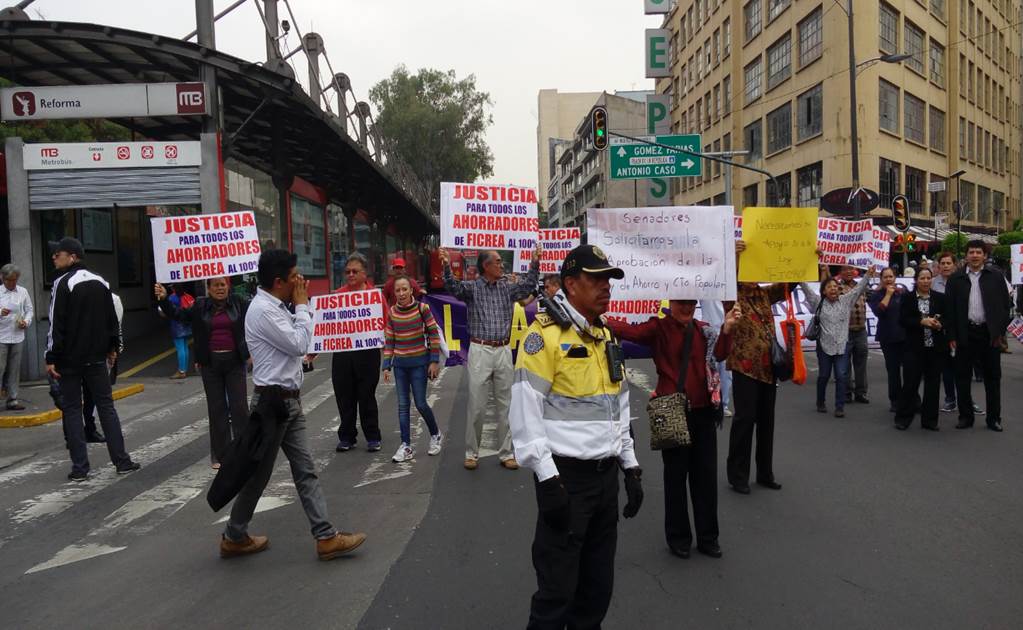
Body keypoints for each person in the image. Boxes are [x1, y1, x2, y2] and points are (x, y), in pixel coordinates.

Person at [508, 244, 642, 629]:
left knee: (596, 590)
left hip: (604, 481)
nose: (606, 287)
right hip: (567, 480)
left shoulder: (604, 335)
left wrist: (629, 466)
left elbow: (618, 405)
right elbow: (525, 410)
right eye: (596, 279)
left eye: (608, 280)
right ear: (569, 283)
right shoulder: (544, 336)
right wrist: (548, 480)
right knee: (556, 593)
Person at [219, 248, 367, 560]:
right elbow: (300, 344)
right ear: (277, 281)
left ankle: (325, 536)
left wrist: (299, 307)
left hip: (289, 403)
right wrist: (302, 306)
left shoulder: (276, 305)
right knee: (258, 475)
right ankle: (234, 534)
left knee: (305, 470)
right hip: (273, 404)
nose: (299, 282)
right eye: (293, 278)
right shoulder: (264, 310)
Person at [608, 299, 740, 559]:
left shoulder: (704, 330)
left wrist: (727, 328)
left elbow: (721, 354)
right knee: (676, 478)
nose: (687, 307)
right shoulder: (659, 328)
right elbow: (630, 332)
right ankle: (678, 537)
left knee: (705, 479)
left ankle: (708, 537)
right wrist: (601, 320)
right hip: (672, 412)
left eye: (691, 302)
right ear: (672, 302)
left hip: (703, 412)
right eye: (681, 302)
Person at [46, 237, 140, 482]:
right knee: (106, 407)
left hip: (70, 359)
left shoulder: (62, 283)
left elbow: (57, 323)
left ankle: (80, 468)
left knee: (73, 409)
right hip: (97, 358)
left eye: (58, 254)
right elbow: (111, 319)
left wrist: (51, 356)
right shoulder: (101, 282)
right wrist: (112, 348)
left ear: (73, 257)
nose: (54, 258)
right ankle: (122, 461)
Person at [440, 243, 541, 471]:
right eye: (497, 262)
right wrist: (446, 264)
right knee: (477, 405)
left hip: (504, 350)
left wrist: (535, 262)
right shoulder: (472, 288)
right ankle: (471, 453)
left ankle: (506, 453)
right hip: (480, 350)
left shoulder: (507, 287)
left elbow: (527, 286)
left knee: (507, 405)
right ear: (486, 266)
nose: (501, 265)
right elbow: (452, 287)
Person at [156, 277, 250, 468]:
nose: (220, 288)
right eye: (215, 285)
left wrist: (252, 353)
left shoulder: (240, 304)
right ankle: (220, 456)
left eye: (223, 284)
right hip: (210, 364)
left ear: (228, 286)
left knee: (240, 408)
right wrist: (164, 299)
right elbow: (177, 315)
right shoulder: (199, 306)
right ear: (209, 288)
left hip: (235, 362)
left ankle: (243, 452)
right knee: (217, 410)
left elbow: (257, 323)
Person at [725, 240, 786, 494]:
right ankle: (738, 475)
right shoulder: (733, 295)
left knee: (766, 422)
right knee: (744, 420)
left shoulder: (763, 294)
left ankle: (764, 473)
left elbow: (787, 285)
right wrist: (736, 259)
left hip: (767, 369)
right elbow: (725, 282)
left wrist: (808, 259)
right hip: (744, 368)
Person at [944, 240, 1012, 432]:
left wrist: (999, 332)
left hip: (989, 334)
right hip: (965, 333)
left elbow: (1004, 307)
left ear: (985, 256)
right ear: (966, 256)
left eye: (978, 252)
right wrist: (952, 336)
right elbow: (950, 310)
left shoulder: (996, 277)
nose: (974, 255)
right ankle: (965, 417)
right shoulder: (956, 279)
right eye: (971, 252)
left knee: (992, 378)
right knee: (962, 377)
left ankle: (993, 419)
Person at [381, 276, 443, 463]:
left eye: (404, 289)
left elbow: (433, 335)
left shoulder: (422, 309)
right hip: (400, 366)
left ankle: (436, 434)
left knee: (421, 403)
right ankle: (406, 445)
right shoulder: (392, 312)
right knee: (402, 406)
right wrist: (386, 365)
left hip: (419, 364)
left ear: (411, 291)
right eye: (397, 290)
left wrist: (433, 361)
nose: (401, 293)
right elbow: (390, 340)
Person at [800, 264, 875, 418]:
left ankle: (839, 406)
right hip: (824, 347)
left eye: (835, 286)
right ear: (824, 291)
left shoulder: (846, 300)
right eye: (829, 287)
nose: (833, 289)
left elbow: (859, 288)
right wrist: (797, 274)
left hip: (842, 346)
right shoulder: (817, 302)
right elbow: (805, 288)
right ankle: (820, 402)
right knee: (824, 376)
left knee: (841, 376)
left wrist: (868, 274)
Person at [332, 252, 383, 452]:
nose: (351, 274)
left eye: (355, 271)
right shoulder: (337, 296)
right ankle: (346, 436)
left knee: (366, 395)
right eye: (347, 272)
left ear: (365, 274)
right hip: (343, 353)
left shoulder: (374, 297)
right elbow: (325, 328)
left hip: (367, 353)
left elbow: (385, 323)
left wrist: (388, 353)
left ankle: (372, 435)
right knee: (344, 395)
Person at [894, 268, 948, 431]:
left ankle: (930, 420)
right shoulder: (907, 298)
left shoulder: (940, 298)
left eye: (928, 278)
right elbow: (903, 319)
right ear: (916, 280)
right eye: (922, 278)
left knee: (933, 385)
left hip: (934, 348)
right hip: (913, 348)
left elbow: (946, 318)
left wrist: (940, 325)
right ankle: (903, 417)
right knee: (910, 384)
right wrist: (920, 322)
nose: (925, 281)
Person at [81, 292, 123, 443]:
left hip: (97, 354)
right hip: (84, 355)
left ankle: (89, 429)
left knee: (94, 395)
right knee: (90, 395)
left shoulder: (113, 300)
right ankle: (83, 431)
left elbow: (116, 327)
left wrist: (113, 350)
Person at [867, 268, 907, 412]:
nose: (889, 279)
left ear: (895, 278)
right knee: (893, 371)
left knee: (910, 370)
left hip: (904, 336)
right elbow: (879, 311)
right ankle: (895, 400)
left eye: (891, 276)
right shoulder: (876, 294)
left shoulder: (902, 293)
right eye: (886, 277)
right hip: (888, 337)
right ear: (881, 279)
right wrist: (888, 295)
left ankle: (911, 399)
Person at [0, 263, 33, 410]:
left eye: (15, 280)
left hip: (18, 335)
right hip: (1, 336)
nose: (12, 283)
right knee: (0, 368)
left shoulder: (23, 292)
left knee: (14, 368)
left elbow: (29, 310)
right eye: (9, 280)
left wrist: (26, 321)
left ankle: (12, 399)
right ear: (2, 278)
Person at [837, 266, 870, 404]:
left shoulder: (860, 286)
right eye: (845, 269)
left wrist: (870, 273)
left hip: (861, 330)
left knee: (861, 363)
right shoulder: (837, 287)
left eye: (851, 269)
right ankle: (846, 393)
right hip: (845, 330)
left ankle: (861, 393)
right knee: (845, 364)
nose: (849, 272)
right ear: (841, 272)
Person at [163, 284, 193, 379]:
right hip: (186, 325)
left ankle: (181, 371)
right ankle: (184, 369)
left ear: (173, 288)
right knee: (185, 347)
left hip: (176, 326)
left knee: (180, 348)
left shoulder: (172, 298)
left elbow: (164, 311)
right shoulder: (186, 296)